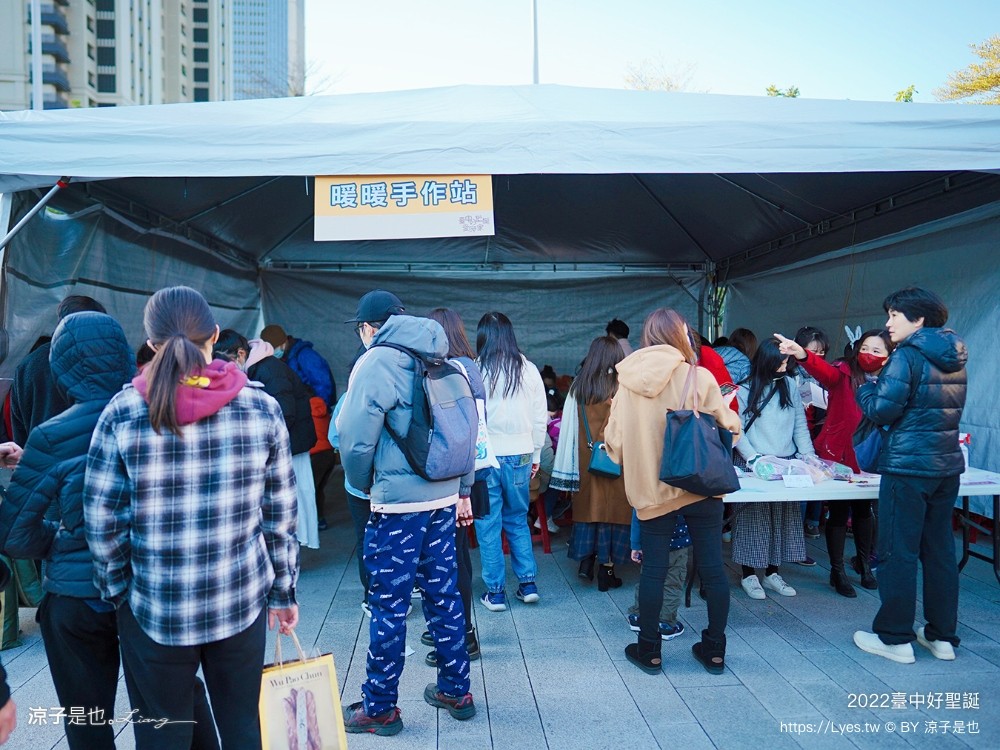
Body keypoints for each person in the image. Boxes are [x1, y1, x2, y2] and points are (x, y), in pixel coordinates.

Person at [84, 286, 299, 749]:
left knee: (164, 732)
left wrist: (119, 589)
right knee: (243, 725)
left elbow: (103, 521)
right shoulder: (260, 407)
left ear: (152, 343)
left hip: (155, 606)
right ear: (215, 336)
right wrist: (283, 591)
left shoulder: (123, 411)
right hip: (239, 600)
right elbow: (280, 515)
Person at [0, 312, 219, 750]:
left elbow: (14, 533)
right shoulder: (163, 418)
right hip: (151, 589)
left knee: (88, 718)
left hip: (75, 598)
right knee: (171, 709)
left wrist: (62, 540)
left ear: (61, 366)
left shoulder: (52, 435)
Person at [337, 290, 476, 736]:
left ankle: (379, 707)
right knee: (444, 593)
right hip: (443, 494)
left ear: (368, 327)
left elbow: (355, 438)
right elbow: (469, 433)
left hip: (398, 504)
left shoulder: (377, 361)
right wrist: (462, 489)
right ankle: (456, 690)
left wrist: (361, 486)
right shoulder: (444, 357)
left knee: (389, 604)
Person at [605, 308, 742, 675]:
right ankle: (714, 650)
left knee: (654, 570)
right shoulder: (699, 377)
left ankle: (649, 650)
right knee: (713, 568)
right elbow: (730, 429)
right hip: (701, 487)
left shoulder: (627, 381)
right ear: (682, 335)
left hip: (651, 491)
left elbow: (614, 444)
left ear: (648, 336)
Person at [853, 287, 967, 664]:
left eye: (894, 316)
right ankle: (942, 637)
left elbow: (883, 410)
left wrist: (866, 390)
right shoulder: (954, 355)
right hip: (946, 466)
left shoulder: (907, 356)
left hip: (907, 468)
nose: (888, 324)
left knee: (896, 552)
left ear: (917, 319)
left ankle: (895, 638)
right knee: (939, 552)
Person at [776, 328, 893, 597]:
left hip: (874, 454)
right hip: (839, 455)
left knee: (865, 511)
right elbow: (823, 372)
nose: (869, 354)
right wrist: (804, 354)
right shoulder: (843, 371)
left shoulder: (893, 379)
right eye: (865, 348)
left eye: (876, 350)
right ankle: (837, 571)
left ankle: (864, 565)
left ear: (889, 354)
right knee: (839, 512)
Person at [422, 307, 488, 667]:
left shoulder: (449, 370)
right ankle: (454, 629)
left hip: (456, 478)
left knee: (451, 559)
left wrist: (461, 489)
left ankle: (462, 636)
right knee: (456, 555)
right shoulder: (471, 367)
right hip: (471, 473)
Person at [215, 330, 319, 549]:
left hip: (291, 447)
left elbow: (284, 413)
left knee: (291, 502)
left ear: (240, 354)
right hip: (287, 445)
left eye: (226, 362)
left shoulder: (268, 370)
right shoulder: (260, 367)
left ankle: (292, 547)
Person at [474, 312, 548, 611]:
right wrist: (537, 453)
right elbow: (540, 416)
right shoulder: (528, 369)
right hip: (520, 453)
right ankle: (527, 584)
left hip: (486, 457)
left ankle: (495, 592)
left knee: (488, 522)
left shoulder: (476, 370)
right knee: (517, 518)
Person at [732, 338, 816, 600]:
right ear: (765, 360)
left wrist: (809, 456)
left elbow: (799, 424)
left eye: (787, 362)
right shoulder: (745, 388)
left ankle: (772, 573)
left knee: (783, 520)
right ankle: (748, 575)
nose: (784, 366)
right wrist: (753, 458)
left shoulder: (790, 384)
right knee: (752, 521)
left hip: (786, 462)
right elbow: (736, 429)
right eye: (779, 362)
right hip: (754, 462)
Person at [551, 336, 632, 590]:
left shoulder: (579, 387)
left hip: (586, 460)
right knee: (613, 515)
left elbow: (568, 430)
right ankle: (607, 571)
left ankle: (586, 561)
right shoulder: (623, 387)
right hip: (617, 460)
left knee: (590, 511)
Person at [9, 295, 106, 446]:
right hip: (83, 463)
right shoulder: (102, 360)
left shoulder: (28, 364)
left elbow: (19, 429)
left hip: (38, 461)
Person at [791, 326, 830, 551]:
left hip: (816, 435)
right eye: (812, 350)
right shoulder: (788, 373)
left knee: (816, 480)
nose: (817, 356)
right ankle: (795, 539)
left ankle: (811, 524)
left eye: (822, 352)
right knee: (799, 490)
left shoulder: (826, 375)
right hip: (792, 436)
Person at [627, 511, 690, 641]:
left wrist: (636, 544)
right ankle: (666, 623)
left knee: (647, 579)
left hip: (651, 540)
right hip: (678, 544)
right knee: (673, 583)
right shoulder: (684, 491)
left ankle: (637, 616)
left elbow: (637, 513)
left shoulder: (646, 489)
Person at [260, 323, 336, 406]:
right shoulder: (280, 359)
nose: (273, 352)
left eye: (274, 348)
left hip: (313, 410)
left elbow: (322, 383)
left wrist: (319, 408)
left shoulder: (306, 355)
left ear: (283, 343)